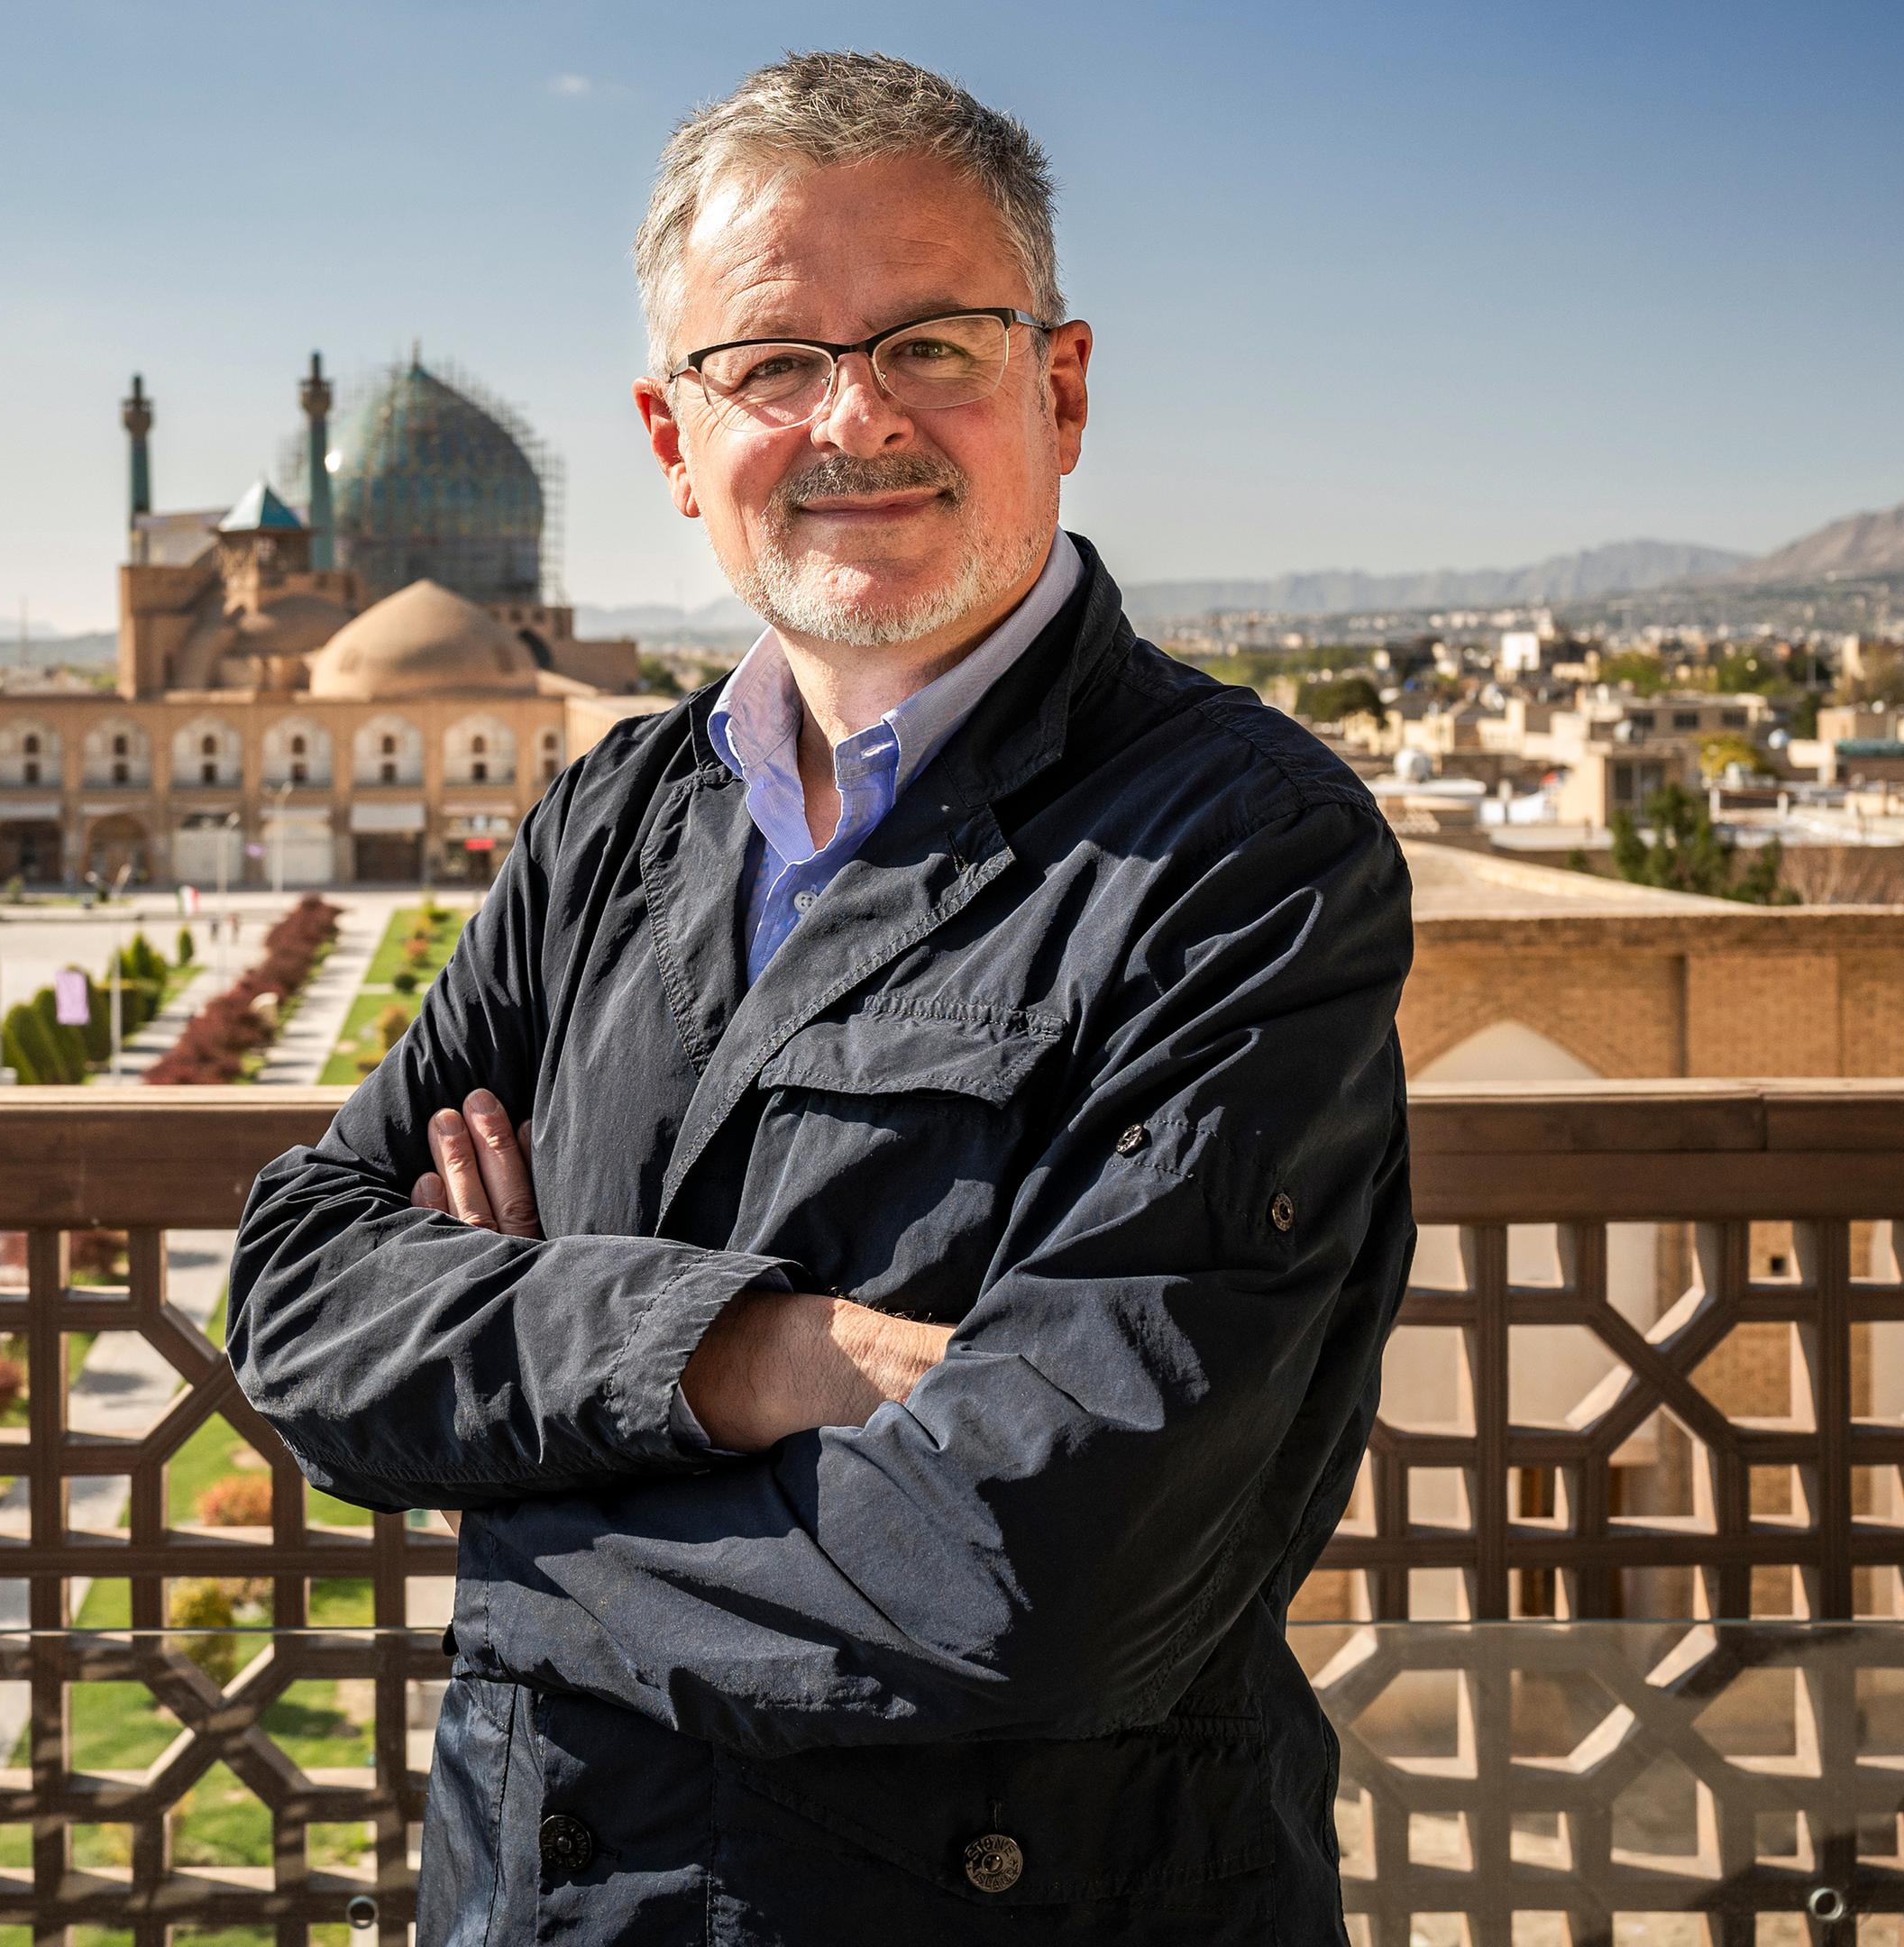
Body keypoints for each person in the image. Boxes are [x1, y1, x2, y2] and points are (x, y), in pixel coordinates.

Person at [227, 51, 1412, 1944]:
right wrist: (754, 1357)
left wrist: (507, 1495)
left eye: (932, 342)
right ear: (671, 436)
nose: (856, 419)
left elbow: (1031, 1576)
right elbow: (300, 1301)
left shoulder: (1238, 856)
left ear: (1062, 387)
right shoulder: (615, 820)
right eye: (774, 363)